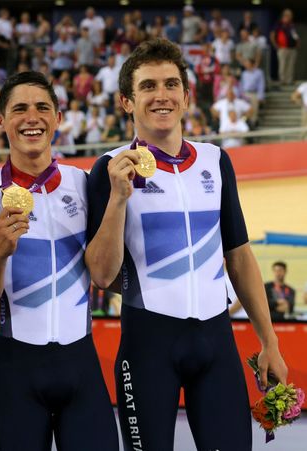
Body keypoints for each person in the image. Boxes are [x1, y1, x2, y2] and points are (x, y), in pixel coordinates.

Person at [85, 38, 287, 451]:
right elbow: (103, 276)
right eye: (148, 87)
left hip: (217, 343)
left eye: (171, 84)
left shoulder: (215, 160)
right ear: (126, 101)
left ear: (187, 95)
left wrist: (270, 342)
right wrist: (119, 198)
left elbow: (239, 255)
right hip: (147, 347)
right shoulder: (108, 167)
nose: (162, 95)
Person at [0, 71, 118, 451]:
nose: (32, 117)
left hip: (82, 362)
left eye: (43, 107)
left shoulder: (85, 184)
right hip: (17, 369)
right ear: (1, 122)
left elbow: (106, 276)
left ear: (59, 118)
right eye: (20, 109)